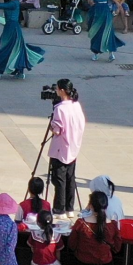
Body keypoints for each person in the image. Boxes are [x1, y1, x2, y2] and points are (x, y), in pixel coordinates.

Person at [47, 79, 84, 214]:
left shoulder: (60, 108)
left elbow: (57, 130)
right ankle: (69, 208)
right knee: (70, 178)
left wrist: (51, 126)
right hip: (73, 146)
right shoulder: (76, 105)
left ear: (62, 91)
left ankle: (59, 209)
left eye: (57, 89)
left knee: (59, 180)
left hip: (61, 148)